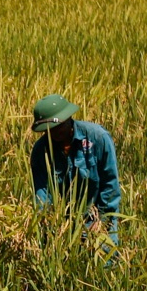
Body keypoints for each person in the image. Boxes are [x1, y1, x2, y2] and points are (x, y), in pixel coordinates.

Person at [29, 94, 119, 250]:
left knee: (104, 259)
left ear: (68, 118)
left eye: (58, 127)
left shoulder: (97, 138)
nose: (55, 133)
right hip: (61, 222)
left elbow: (109, 184)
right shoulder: (40, 151)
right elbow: (42, 193)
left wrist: (102, 220)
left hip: (98, 217)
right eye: (49, 130)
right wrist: (48, 223)